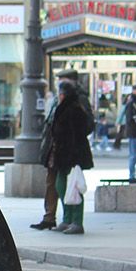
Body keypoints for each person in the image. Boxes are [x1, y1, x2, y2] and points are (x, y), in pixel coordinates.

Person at [32, 68, 81, 230]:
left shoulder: (77, 101)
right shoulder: (57, 101)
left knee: (70, 185)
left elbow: (83, 126)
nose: (59, 83)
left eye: (63, 80)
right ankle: (52, 217)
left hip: (67, 151)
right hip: (55, 148)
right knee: (54, 183)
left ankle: (73, 220)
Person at [48, 78, 94, 234]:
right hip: (63, 154)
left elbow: (81, 131)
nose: (59, 96)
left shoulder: (74, 109)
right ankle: (67, 218)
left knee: (74, 187)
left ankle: (76, 221)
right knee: (61, 186)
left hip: (72, 154)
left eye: (60, 93)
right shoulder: (63, 107)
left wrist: (74, 154)